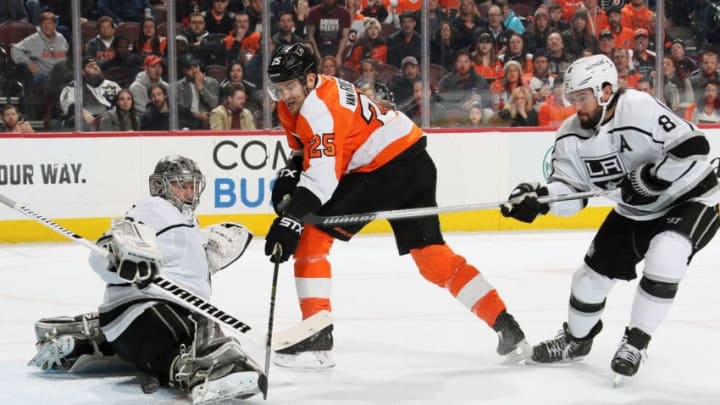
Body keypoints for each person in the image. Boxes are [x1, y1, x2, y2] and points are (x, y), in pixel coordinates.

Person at [263, 43, 530, 369]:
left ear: (308, 78)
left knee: (310, 234)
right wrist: (291, 175)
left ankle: (316, 338)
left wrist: (290, 220)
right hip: (412, 158)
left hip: (385, 170)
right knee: (433, 258)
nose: (284, 94)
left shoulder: (321, 110)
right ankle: (505, 324)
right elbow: (303, 152)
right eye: (278, 87)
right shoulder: (302, 99)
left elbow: (321, 181)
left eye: (290, 86)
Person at [500, 54, 720, 380]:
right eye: (572, 99)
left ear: (605, 91)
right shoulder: (569, 137)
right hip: (635, 211)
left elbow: (694, 147)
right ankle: (576, 341)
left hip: (691, 197)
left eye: (583, 98)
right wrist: (541, 199)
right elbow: (573, 194)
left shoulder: (638, 107)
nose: (577, 106)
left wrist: (651, 179)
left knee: (667, 253)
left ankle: (636, 342)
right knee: (587, 282)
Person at [27, 155, 264, 404]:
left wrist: (206, 259)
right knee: (192, 336)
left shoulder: (185, 222)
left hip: (151, 315)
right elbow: (104, 252)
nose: (189, 192)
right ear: (161, 187)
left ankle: (90, 343)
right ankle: (200, 371)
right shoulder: (154, 209)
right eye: (182, 185)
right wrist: (120, 255)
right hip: (142, 310)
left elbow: (175, 263)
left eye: (193, 185)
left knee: (199, 327)